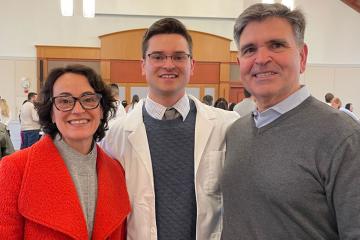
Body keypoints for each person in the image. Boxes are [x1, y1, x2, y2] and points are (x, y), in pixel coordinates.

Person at [222, 3, 360, 239]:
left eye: (276, 45)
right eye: (249, 50)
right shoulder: (236, 131)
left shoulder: (343, 136)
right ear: (240, 64)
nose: (261, 58)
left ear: (302, 56)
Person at [101, 18, 239, 240]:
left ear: (191, 65)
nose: (168, 64)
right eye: (157, 57)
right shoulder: (116, 134)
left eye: (178, 57)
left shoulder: (226, 125)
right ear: (143, 65)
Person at [0, 65, 130, 239]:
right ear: (51, 113)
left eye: (89, 99)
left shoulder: (116, 172)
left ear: (101, 109)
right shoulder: (15, 169)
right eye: (65, 101)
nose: (78, 110)